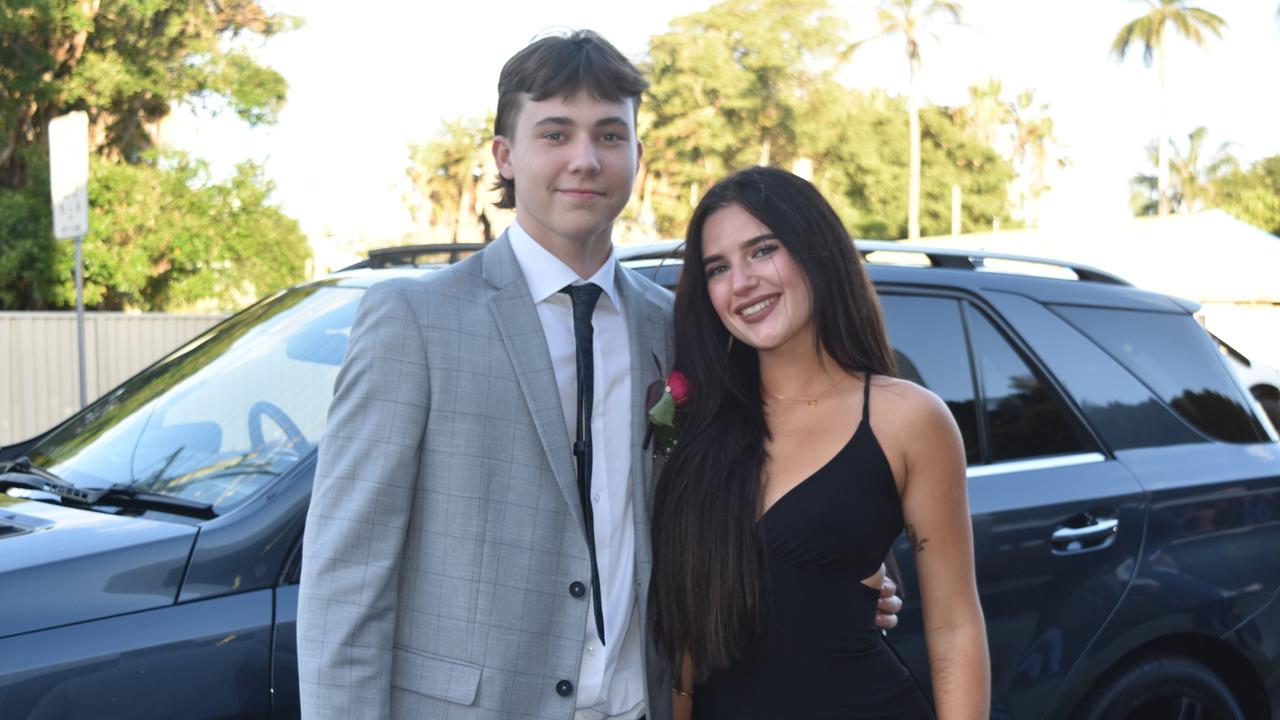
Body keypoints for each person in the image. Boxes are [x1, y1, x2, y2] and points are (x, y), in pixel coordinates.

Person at [297, 31, 900, 720]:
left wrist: (859, 574)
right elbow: (346, 580)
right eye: (555, 133)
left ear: (637, 158)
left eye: (610, 136)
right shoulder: (414, 319)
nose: (585, 160)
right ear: (505, 155)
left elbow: (790, 466)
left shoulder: (683, 328)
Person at [649, 166, 990, 719]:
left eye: (762, 250)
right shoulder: (697, 422)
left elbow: (954, 627)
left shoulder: (907, 418)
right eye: (718, 268)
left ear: (815, 249)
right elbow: (684, 633)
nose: (742, 282)